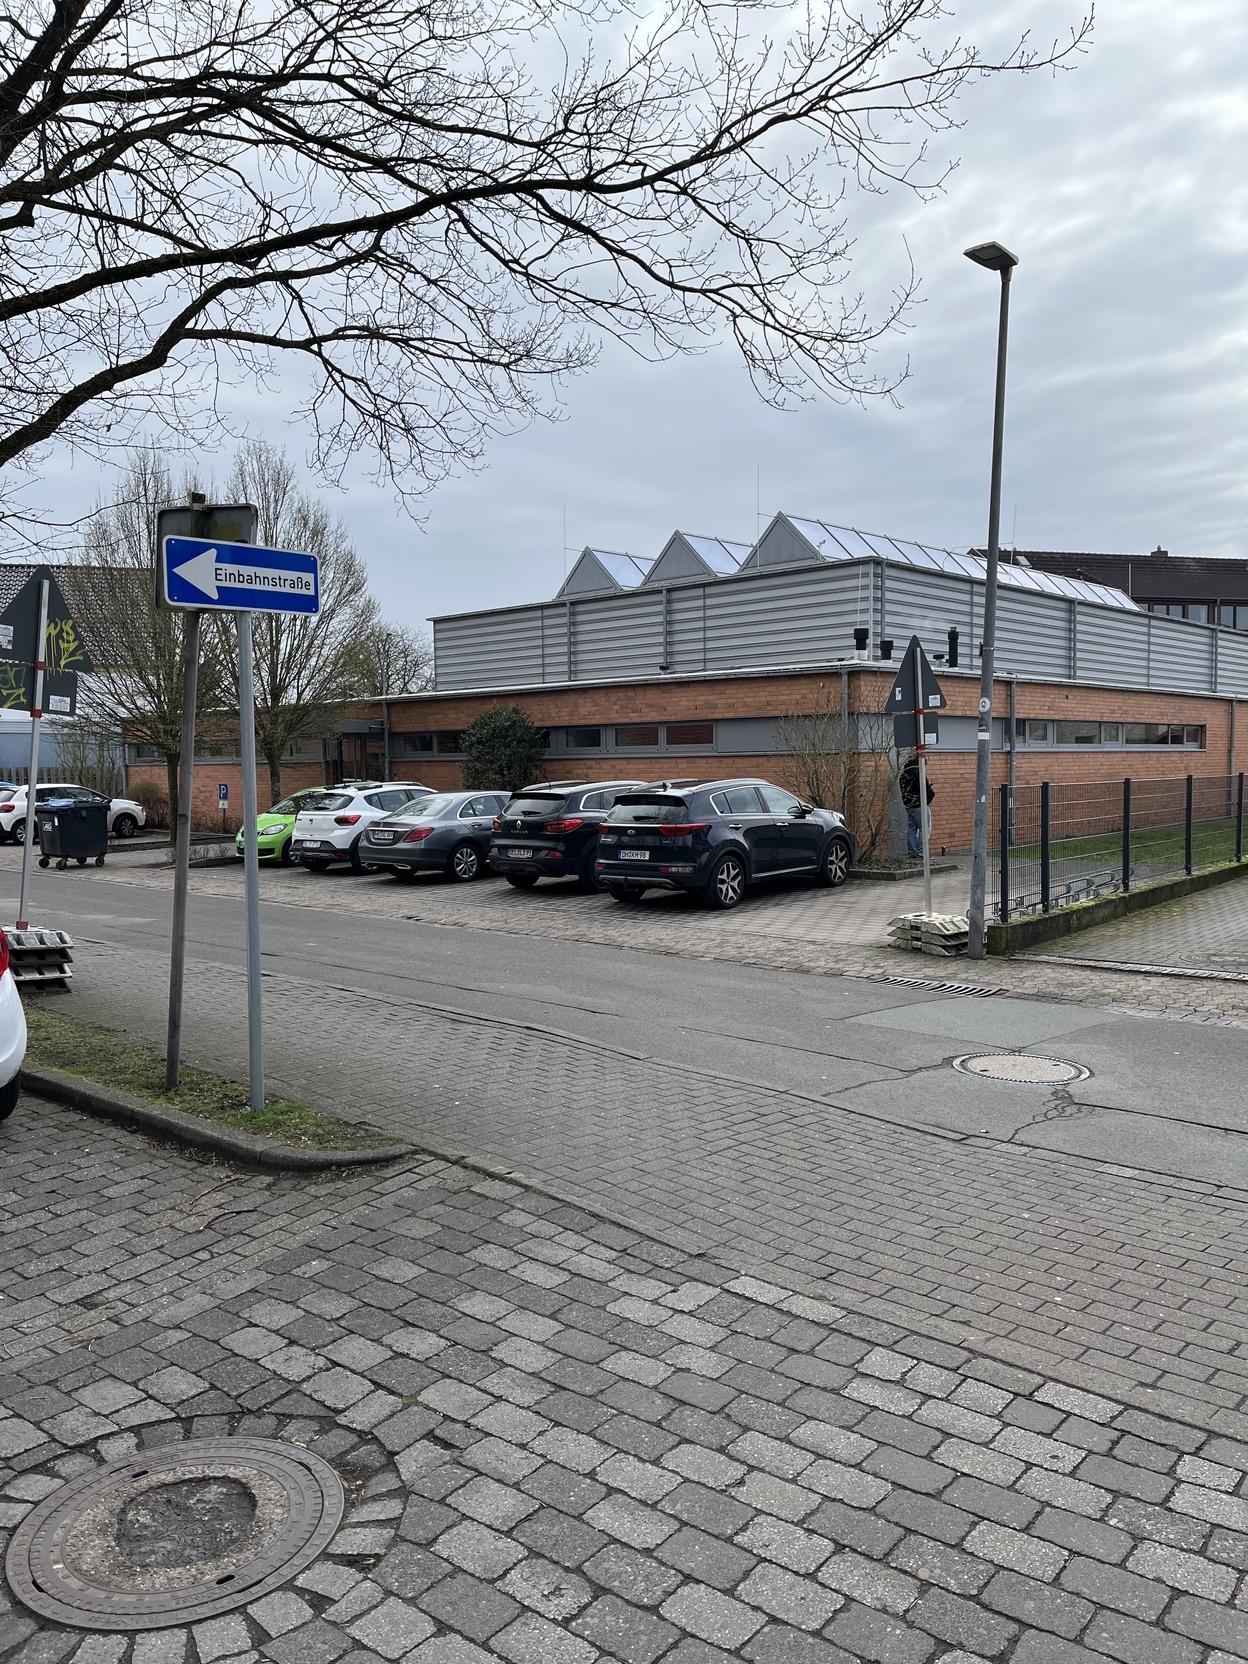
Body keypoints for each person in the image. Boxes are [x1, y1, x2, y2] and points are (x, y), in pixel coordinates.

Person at [899, 751, 934, 859]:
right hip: (920, 805)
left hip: (909, 806)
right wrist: (929, 798)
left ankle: (912, 852)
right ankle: (921, 851)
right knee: (925, 828)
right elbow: (926, 790)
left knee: (912, 829)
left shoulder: (903, 774)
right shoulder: (919, 773)